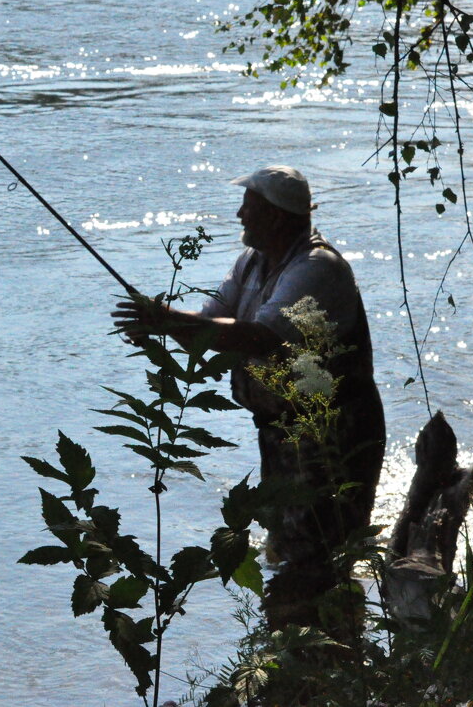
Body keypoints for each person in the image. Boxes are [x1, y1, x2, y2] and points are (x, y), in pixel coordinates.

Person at [111, 165, 386, 633]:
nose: (239, 214)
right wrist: (160, 328)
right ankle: (303, 650)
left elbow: (259, 337)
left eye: (250, 208)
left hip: (331, 431)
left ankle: (324, 652)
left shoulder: (317, 268)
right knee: (285, 542)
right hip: (280, 429)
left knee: (319, 549)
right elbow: (211, 324)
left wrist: (167, 320)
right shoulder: (252, 262)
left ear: (278, 217)